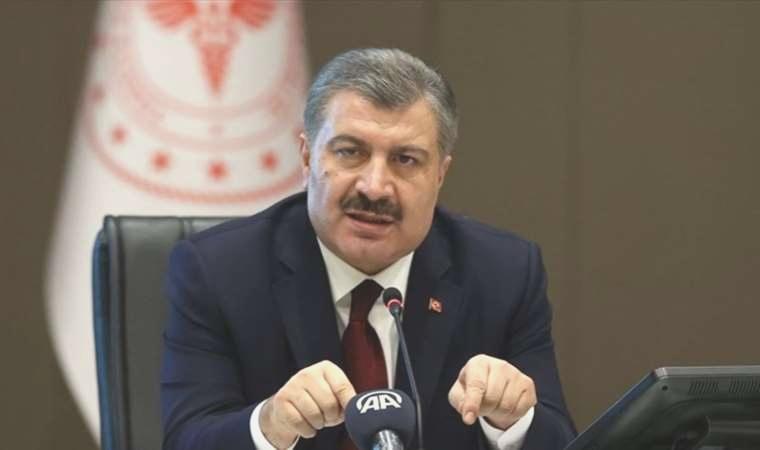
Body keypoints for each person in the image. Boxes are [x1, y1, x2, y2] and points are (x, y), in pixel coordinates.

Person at [161, 48, 576, 450]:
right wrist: (269, 424)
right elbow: (186, 439)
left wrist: (513, 422)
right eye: (350, 152)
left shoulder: (503, 274)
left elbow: (561, 439)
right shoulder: (219, 272)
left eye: (405, 160)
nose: (375, 187)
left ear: (440, 174)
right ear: (306, 158)